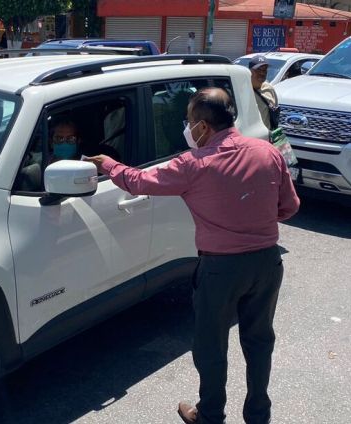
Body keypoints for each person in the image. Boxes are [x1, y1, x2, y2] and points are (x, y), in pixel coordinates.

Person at [85, 88, 300, 424]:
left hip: (220, 269)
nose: (187, 127)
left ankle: (210, 415)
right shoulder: (267, 152)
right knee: (259, 341)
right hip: (266, 263)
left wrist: (107, 163)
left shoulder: (193, 164)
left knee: (211, 345)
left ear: (202, 126)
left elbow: (138, 181)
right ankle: (258, 415)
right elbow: (289, 207)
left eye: (189, 121)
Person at [250, 55, 280, 136]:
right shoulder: (242, 89)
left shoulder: (269, 89)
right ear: (250, 71)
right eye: (258, 70)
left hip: (266, 137)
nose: (262, 73)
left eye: (264, 70)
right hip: (249, 137)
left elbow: (275, 112)